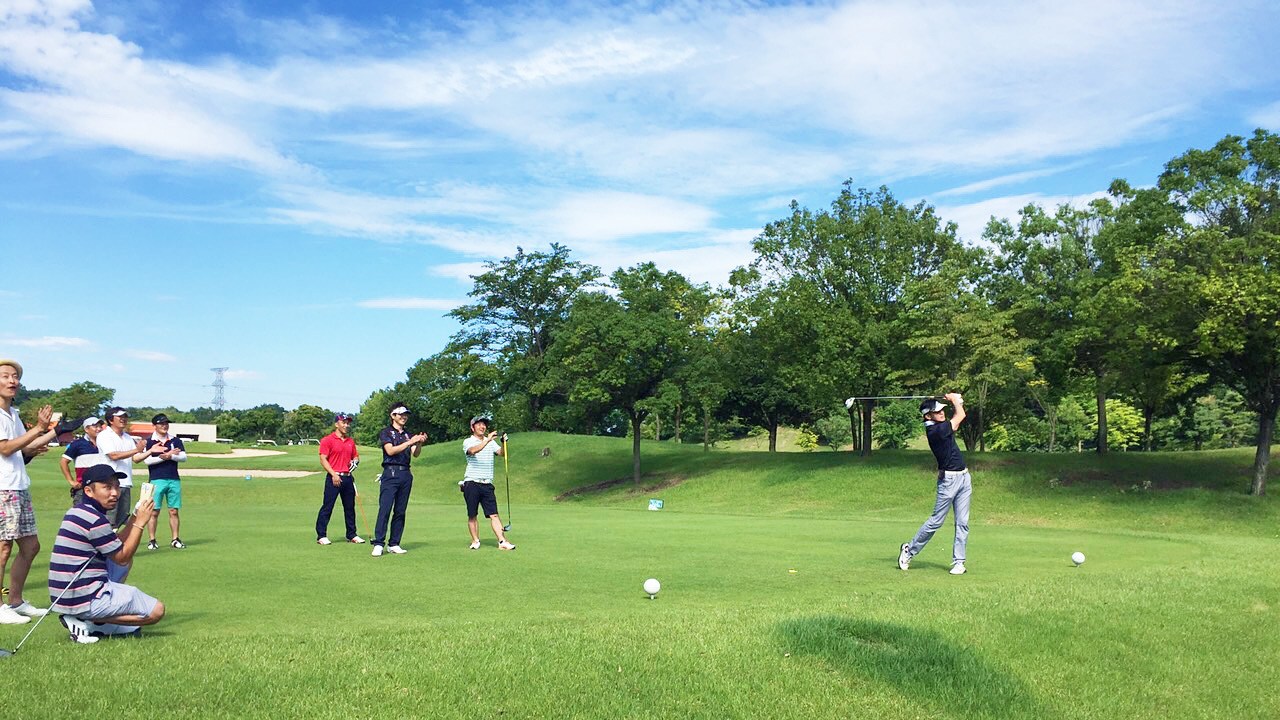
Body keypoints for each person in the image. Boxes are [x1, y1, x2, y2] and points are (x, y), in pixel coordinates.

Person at [48, 464, 163, 644]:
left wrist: (134, 515)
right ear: (88, 491)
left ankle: (96, 623)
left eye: (117, 486)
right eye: (107, 487)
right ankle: (85, 618)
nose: (115, 493)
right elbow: (122, 557)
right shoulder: (95, 520)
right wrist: (140, 523)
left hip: (67, 594)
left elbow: (116, 545)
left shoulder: (78, 511)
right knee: (156, 611)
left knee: (124, 562)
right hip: (80, 597)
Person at [0, 359, 58, 624]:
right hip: (3, 487)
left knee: (31, 546)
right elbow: (5, 448)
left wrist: (53, 432)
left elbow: (24, 447)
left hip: (19, 485)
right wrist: (38, 428)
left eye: (15, 377)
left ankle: (16, 600)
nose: (12, 381)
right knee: (3, 548)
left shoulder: (13, 414)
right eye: (6, 376)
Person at [898, 393, 971, 575]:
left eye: (942, 410)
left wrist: (953, 401)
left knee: (962, 523)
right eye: (937, 411)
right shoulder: (935, 431)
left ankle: (959, 562)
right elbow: (960, 415)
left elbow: (956, 418)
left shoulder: (940, 425)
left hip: (964, 477)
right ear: (928, 416)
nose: (941, 413)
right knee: (936, 521)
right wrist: (955, 400)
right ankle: (909, 550)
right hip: (949, 481)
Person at [371, 403, 428, 557]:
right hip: (390, 473)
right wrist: (410, 442)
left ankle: (394, 543)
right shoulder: (386, 432)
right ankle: (379, 543)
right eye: (401, 414)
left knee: (400, 511)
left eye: (406, 415)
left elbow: (415, 453)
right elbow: (390, 451)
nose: (404, 417)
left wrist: (419, 442)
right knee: (385, 509)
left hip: (405, 473)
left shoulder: (408, 434)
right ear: (393, 415)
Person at [95, 408, 160, 529]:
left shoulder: (127, 437)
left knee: (121, 520)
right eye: (120, 417)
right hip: (109, 483)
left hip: (125, 483)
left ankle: (117, 540)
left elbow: (135, 458)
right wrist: (136, 449)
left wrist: (150, 451)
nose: (123, 419)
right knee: (109, 519)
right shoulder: (104, 435)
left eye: (125, 417)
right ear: (110, 420)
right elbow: (113, 455)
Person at [461, 415, 514, 551]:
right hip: (471, 482)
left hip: (487, 484)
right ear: (472, 427)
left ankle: (502, 541)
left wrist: (503, 443)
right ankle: (475, 540)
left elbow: (501, 453)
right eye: (479, 424)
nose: (482, 426)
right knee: (472, 515)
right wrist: (488, 440)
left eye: (484, 424)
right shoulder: (468, 441)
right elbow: (473, 451)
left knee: (494, 514)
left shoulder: (490, 442)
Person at [139, 414, 187, 550]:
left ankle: (175, 539)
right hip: (156, 479)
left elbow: (183, 457)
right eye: (161, 424)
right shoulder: (150, 442)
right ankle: (152, 540)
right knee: (154, 511)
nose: (164, 426)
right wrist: (164, 457)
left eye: (166, 423)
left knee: (173, 510)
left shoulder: (175, 440)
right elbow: (147, 460)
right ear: (154, 426)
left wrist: (170, 456)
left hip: (174, 479)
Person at [315, 413, 362, 545]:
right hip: (333, 478)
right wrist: (333, 474)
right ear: (336, 424)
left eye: (348, 423)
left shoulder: (350, 441)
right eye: (343, 422)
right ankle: (321, 535)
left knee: (350, 508)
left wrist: (355, 462)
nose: (346, 425)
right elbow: (323, 459)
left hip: (347, 477)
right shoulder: (327, 440)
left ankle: (351, 534)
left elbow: (355, 456)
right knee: (328, 506)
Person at [60, 417, 106, 505]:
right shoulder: (77, 444)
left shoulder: (105, 443)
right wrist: (71, 481)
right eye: (95, 426)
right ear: (86, 429)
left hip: (102, 487)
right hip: (83, 487)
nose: (99, 429)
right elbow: (63, 461)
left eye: (100, 426)